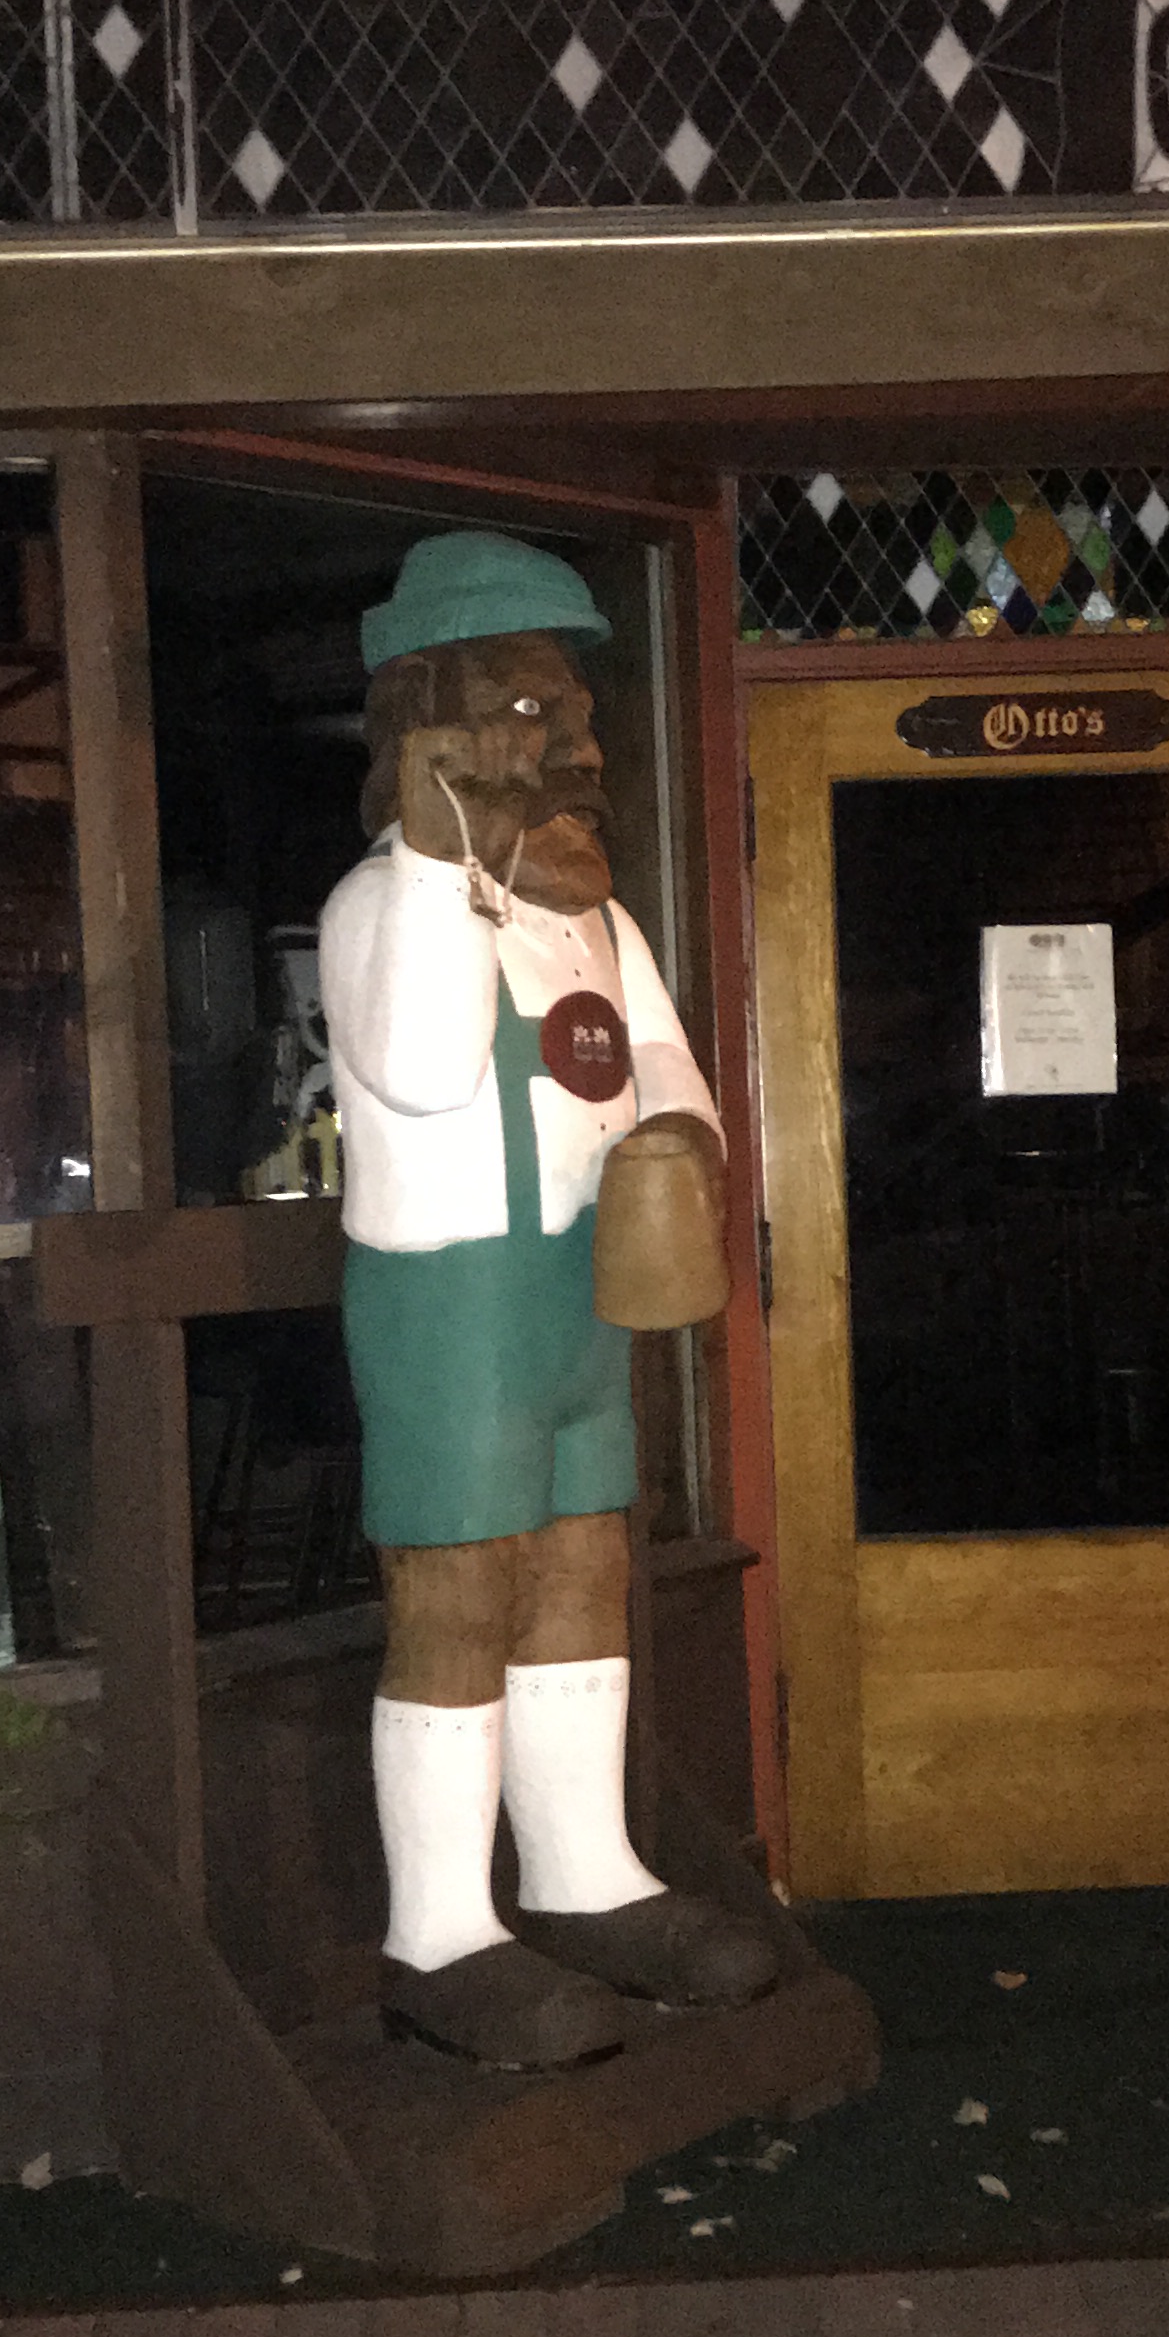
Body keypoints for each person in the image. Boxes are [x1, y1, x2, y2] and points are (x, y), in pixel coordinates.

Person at [318, 531, 780, 2071]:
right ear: (431, 725)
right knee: (458, 1596)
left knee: (582, 1575)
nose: (574, 749)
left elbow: (672, 1076)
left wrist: (677, 1146)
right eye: (529, 714)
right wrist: (440, 861)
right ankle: (440, 1933)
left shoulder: (596, 921)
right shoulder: (381, 906)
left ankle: (586, 1876)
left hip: (586, 1300)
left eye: (574, 716)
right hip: (453, 1308)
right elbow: (419, 1067)